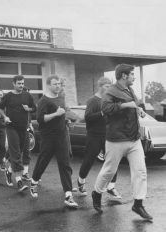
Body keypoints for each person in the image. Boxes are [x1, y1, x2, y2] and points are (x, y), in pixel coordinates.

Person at [92, 64, 152, 220]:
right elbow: (105, 109)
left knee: (140, 171)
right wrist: (127, 105)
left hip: (134, 138)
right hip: (116, 139)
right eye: (132, 74)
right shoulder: (110, 91)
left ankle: (138, 204)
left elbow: (135, 104)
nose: (134, 76)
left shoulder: (130, 90)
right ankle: (97, 192)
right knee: (109, 171)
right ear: (124, 76)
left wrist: (140, 109)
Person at [29, 75, 78, 208]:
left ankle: (68, 195)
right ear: (49, 85)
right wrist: (56, 114)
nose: (58, 86)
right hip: (48, 136)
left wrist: (67, 120)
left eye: (59, 84)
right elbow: (40, 119)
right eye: (55, 84)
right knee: (43, 161)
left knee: (65, 163)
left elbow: (63, 114)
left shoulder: (61, 98)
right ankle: (33, 182)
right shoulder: (43, 101)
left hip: (61, 135)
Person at [77, 77, 121, 199]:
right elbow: (88, 117)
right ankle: (81, 181)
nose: (109, 89)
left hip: (108, 135)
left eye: (110, 86)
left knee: (113, 159)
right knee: (89, 160)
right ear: (100, 86)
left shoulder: (109, 100)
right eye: (107, 86)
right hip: (94, 135)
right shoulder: (93, 100)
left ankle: (111, 187)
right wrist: (102, 112)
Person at [0, 75, 36, 192]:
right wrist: (5, 117)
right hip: (11, 127)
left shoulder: (27, 95)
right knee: (15, 153)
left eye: (22, 83)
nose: (21, 85)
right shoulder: (8, 96)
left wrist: (28, 109)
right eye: (19, 83)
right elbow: (0, 108)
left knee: (19, 152)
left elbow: (34, 108)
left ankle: (9, 172)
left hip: (23, 128)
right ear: (13, 83)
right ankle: (19, 181)